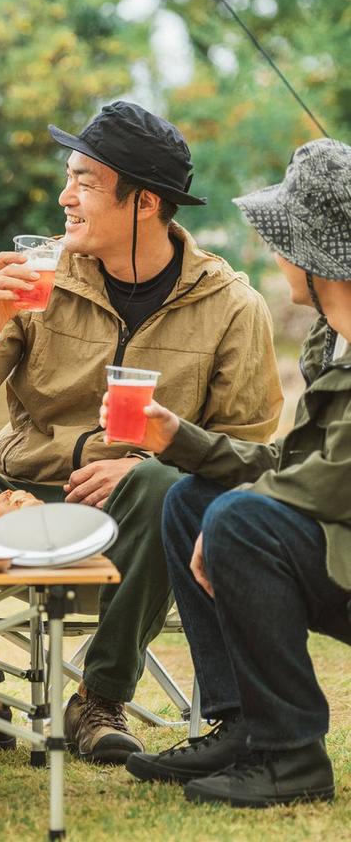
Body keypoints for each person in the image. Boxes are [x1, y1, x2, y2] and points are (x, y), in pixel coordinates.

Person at [0, 101, 284, 762]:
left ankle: (99, 699)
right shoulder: (40, 276)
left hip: (136, 521)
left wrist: (156, 463)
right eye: (68, 177)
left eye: (85, 182)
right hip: (19, 501)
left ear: (145, 202)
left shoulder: (232, 306)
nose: (64, 197)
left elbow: (251, 454)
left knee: (162, 486)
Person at [122, 137, 351, 807]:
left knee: (237, 518)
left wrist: (234, 518)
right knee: (193, 499)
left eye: (282, 241)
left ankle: (290, 754)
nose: (275, 254)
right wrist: (182, 441)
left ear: (312, 254)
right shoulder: (330, 340)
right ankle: (243, 726)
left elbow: (337, 480)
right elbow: (297, 466)